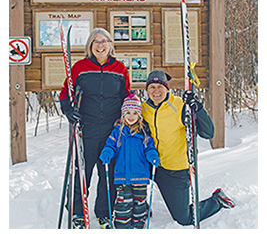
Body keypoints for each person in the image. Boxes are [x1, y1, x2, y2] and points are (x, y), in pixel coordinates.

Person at [142, 70, 235, 227]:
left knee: (184, 218)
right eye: (152, 87)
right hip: (151, 165)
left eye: (160, 86)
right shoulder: (144, 109)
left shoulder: (179, 106)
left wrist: (197, 108)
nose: (156, 91)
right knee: (126, 170)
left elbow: (208, 132)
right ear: (147, 90)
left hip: (175, 169)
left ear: (167, 88)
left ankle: (217, 200)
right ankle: (140, 205)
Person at [59, 28, 131, 229]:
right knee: (82, 172)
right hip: (86, 129)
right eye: (96, 42)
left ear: (110, 45)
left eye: (104, 41)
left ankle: (104, 212)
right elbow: (65, 93)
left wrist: (126, 118)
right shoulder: (80, 68)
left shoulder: (120, 69)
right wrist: (68, 110)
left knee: (108, 174)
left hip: (111, 131)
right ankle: (77, 213)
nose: (100, 45)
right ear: (90, 45)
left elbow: (127, 97)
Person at [99, 93, 160, 229]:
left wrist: (152, 156)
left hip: (140, 176)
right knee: (123, 203)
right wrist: (107, 152)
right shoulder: (118, 131)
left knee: (139, 203)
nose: (131, 117)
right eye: (128, 113)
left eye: (134, 113)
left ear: (139, 115)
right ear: (123, 114)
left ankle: (138, 225)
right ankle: (122, 226)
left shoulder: (143, 132)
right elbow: (111, 145)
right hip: (122, 176)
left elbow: (149, 147)